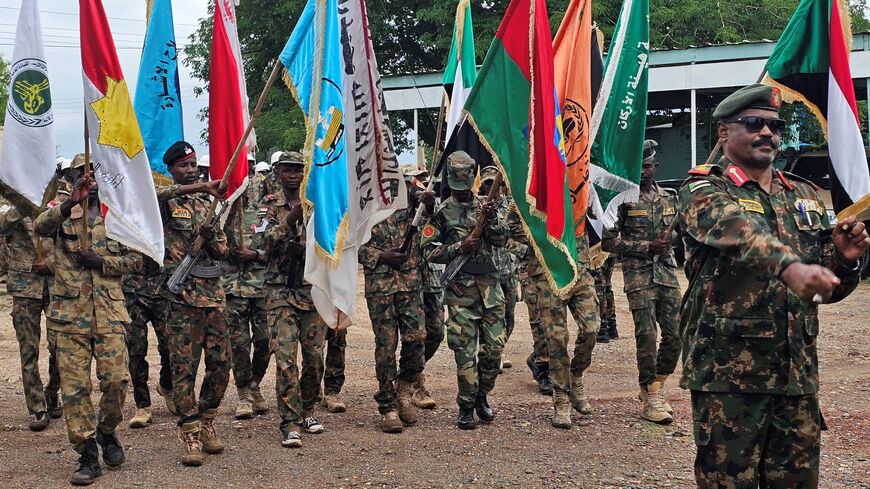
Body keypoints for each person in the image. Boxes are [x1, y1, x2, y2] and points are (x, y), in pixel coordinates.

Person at [678, 84, 869, 488]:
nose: (767, 132)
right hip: (728, 379)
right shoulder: (703, 189)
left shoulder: (801, 195)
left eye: (774, 126)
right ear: (724, 132)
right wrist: (790, 267)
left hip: (796, 377)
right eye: (754, 124)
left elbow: (823, 290)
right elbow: (739, 232)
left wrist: (846, 263)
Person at [35, 164, 142, 485]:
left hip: (109, 313)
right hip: (69, 316)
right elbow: (40, 228)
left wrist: (103, 262)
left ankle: (107, 430)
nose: (89, 179)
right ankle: (87, 454)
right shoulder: (61, 210)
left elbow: (138, 259)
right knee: (74, 389)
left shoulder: (118, 214)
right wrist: (70, 203)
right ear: (73, 178)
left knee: (117, 382)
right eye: (82, 173)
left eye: (94, 172)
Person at [421, 151, 508, 430]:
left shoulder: (486, 205)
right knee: (464, 353)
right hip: (461, 293)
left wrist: (492, 218)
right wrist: (459, 247)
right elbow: (427, 251)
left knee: (494, 349)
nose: (460, 191)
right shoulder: (442, 212)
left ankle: (483, 394)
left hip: (491, 291)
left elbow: (501, 239)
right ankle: (467, 405)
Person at [158, 141, 230, 467]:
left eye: (193, 164)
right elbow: (152, 198)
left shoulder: (208, 203)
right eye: (183, 166)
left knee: (221, 363)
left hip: (212, 296)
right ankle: (189, 432)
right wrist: (199, 185)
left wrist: (210, 235)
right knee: (184, 368)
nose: (190, 170)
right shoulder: (165, 200)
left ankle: (208, 418)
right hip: (181, 297)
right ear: (171, 170)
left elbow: (224, 252)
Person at [602, 140, 681, 425]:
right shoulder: (622, 200)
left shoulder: (671, 198)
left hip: (668, 275)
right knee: (647, 336)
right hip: (639, 277)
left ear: (656, 167)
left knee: (675, 336)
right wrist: (647, 245)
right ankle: (650, 394)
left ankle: (657, 383)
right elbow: (609, 242)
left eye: (648, 166)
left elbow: (686, 235)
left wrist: (669, 243)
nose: (644, 172)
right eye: (639, 167)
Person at [260, 151, 328, 448]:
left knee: (314, 360)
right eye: (287, 170)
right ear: (277, 173)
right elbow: (261, 243)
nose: (293, 175)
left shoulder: (318, 204)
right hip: (280, 292)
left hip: (312, 289)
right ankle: (290, 422)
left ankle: (307, 409)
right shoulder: (266, 206)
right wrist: (291, 217)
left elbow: (332, 238)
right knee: (286, 359)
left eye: (298, 170)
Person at [358, 168, 429, 433]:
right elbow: (349, 243)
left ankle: (404, 388)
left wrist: (429, 200)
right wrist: (380, 256)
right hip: (381, 285)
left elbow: (430, 209)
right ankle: (387, 406)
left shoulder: (407, 194)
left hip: (409, 281)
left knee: (417, 338)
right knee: (386, 347)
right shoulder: (360, 201)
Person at [0, 183, 63, 431]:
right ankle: (38, 407)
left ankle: (52, 391)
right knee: (29, 351)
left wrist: (50, 264)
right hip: (25, 290)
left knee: (60, 347)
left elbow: (69, 245)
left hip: (56, 286)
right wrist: (24, 202)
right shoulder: (12, 211)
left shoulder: (59, 207)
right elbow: (2, 226)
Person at [223, 175, 271, 419]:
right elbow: (214, 247)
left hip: (262, 287)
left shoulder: (266, 213)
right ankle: (244, 392)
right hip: (233, 289)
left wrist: (255, 254)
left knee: (266, 341)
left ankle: (255, 383)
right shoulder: (222, 213)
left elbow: (276, 246)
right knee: (239, 345)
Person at [123, 254, 174, 427]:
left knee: (171, 347)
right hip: (133, 291)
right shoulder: (127, 226)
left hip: (163, 289)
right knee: (135, 350)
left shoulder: (167, 226)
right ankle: (143, 405)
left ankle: (167, 385)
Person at [479, 167, 519, 371]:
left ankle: (500, 347)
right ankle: (490, 352)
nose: (490, 187)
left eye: (492, 183)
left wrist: (516, 254)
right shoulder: (479, 207)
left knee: (509, 315)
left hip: (508, 270)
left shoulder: (512, 207)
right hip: (487, 272)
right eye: (486, 183)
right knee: (489, 314)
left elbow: (518, 234)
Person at [591, 254, 619, 341]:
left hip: (596, 249)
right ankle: (611, 327)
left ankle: (602, 328)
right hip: (610, 249)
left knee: (599, 286)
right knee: (607, 285)